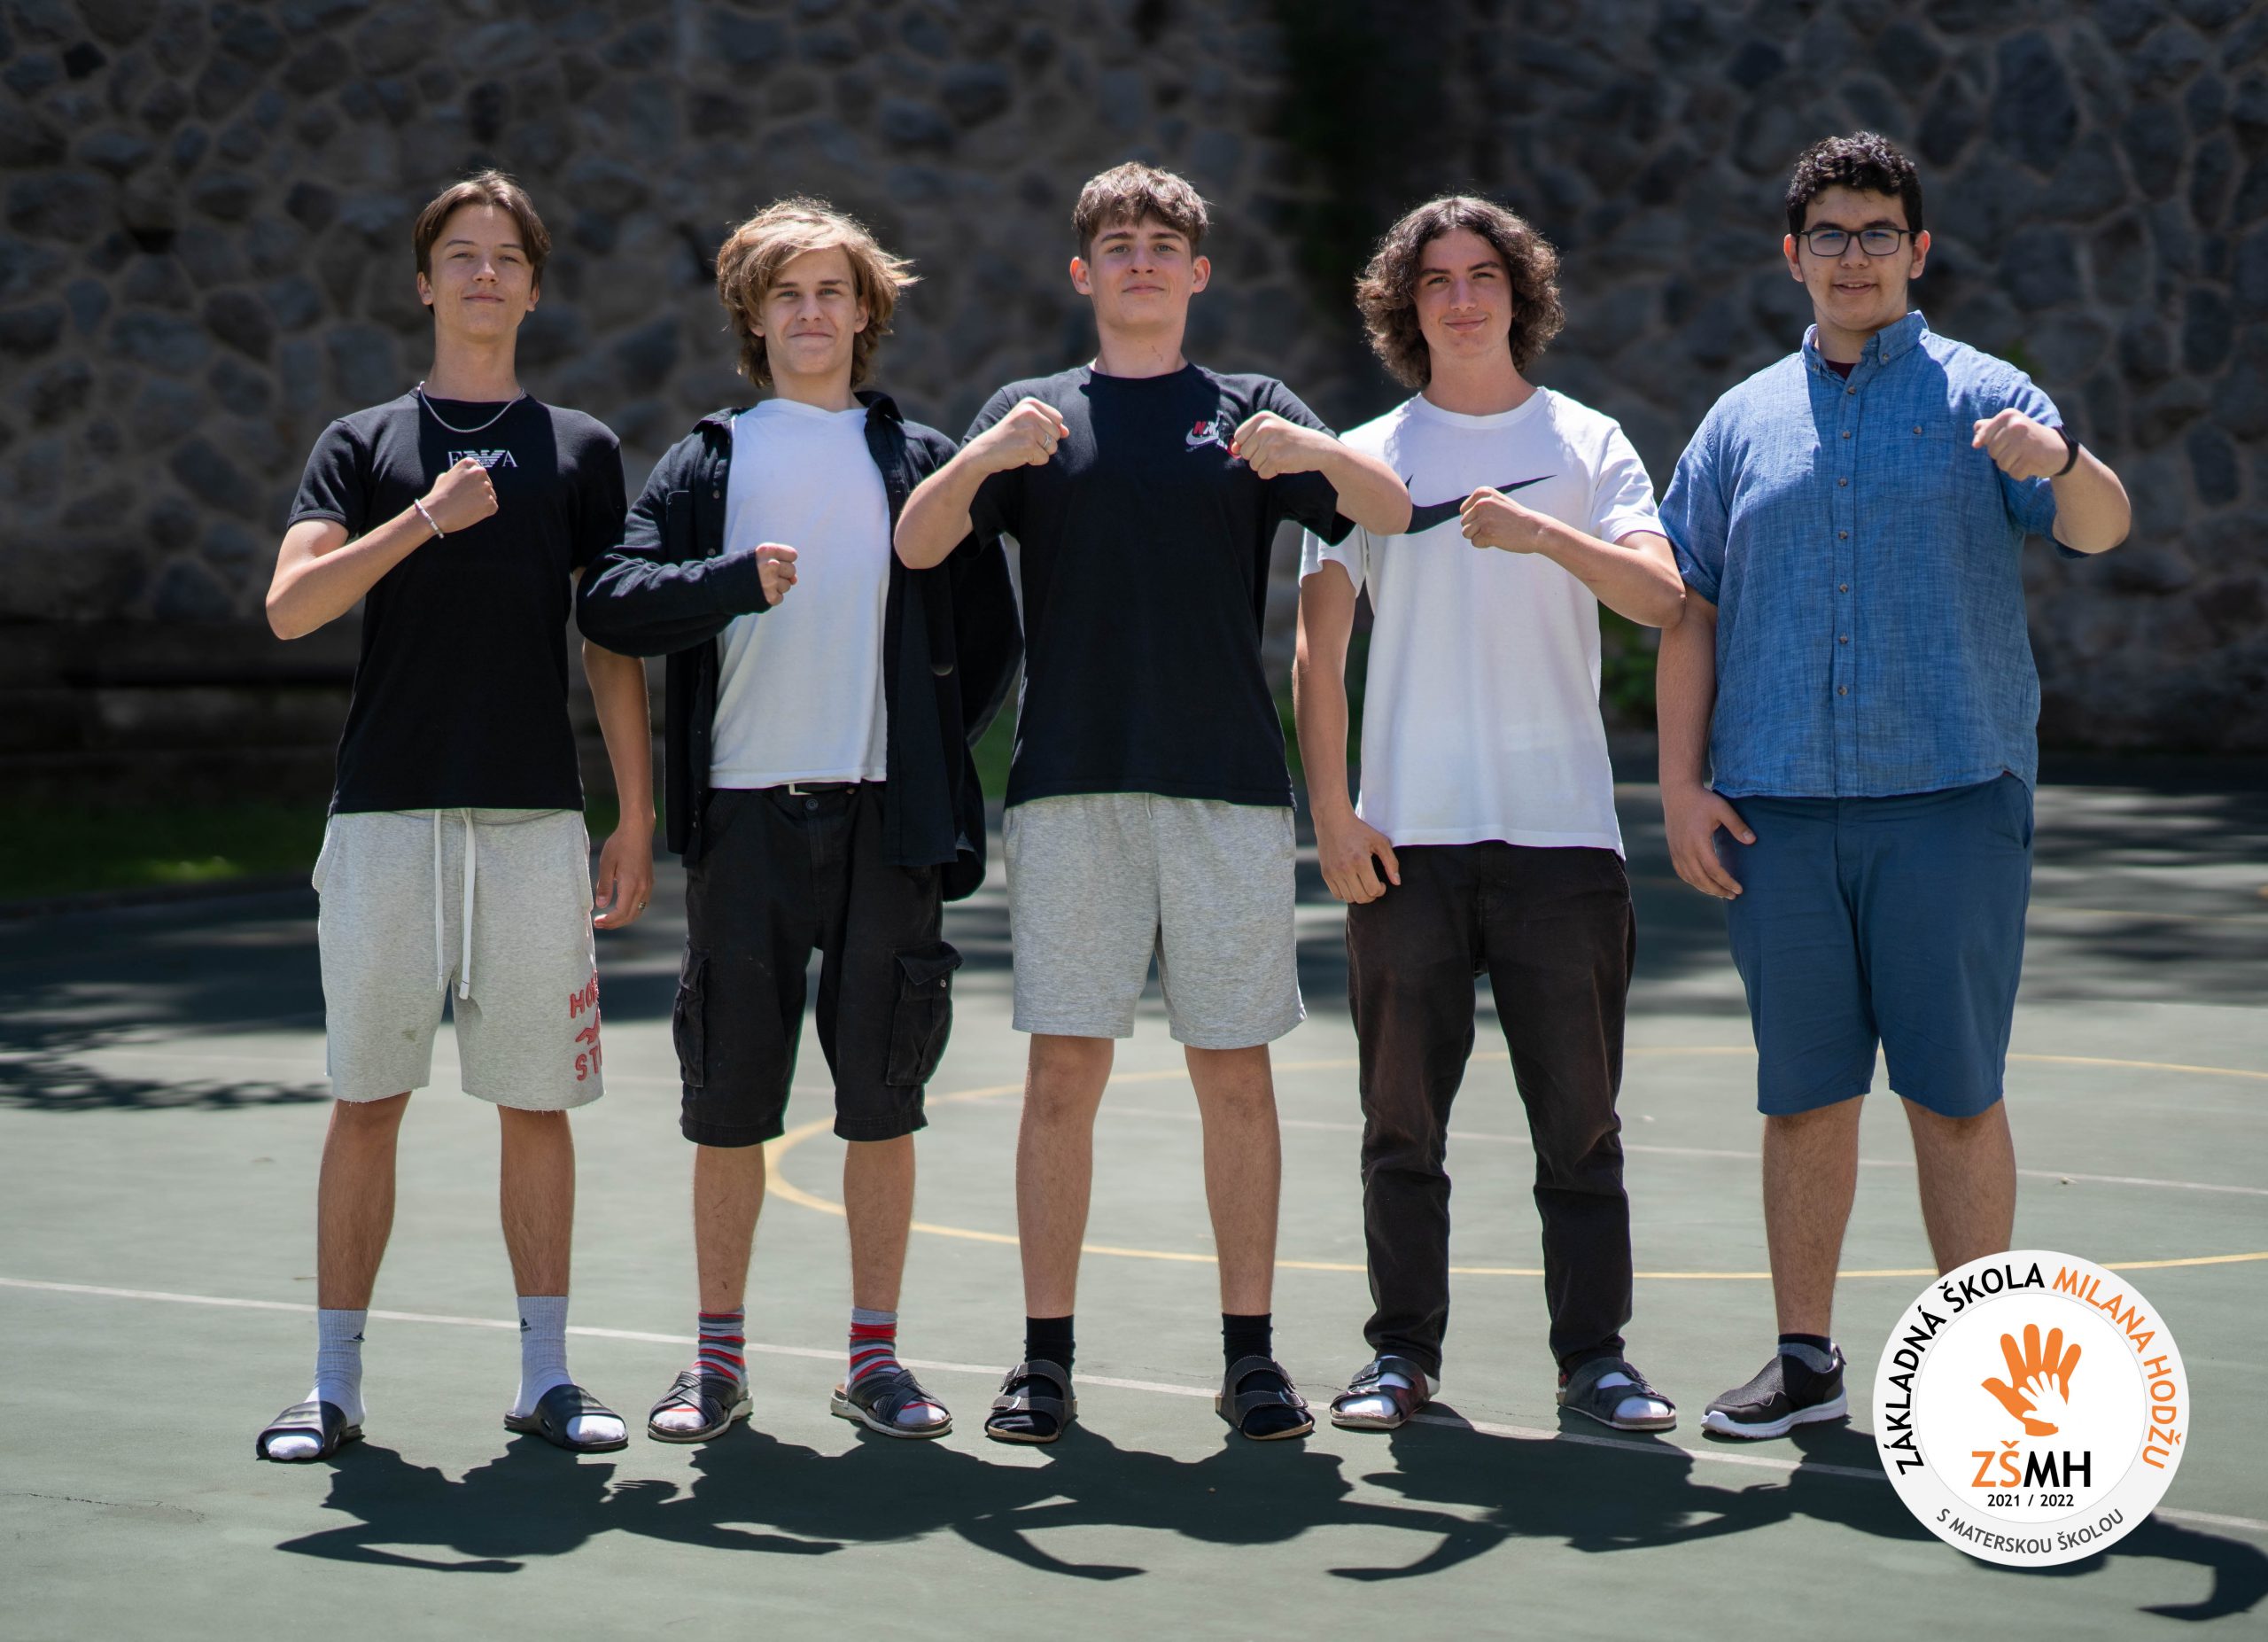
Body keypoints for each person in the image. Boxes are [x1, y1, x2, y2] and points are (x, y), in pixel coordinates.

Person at [895, 162, 1412, 1444]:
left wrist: (1313, 451)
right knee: (1062, 1074)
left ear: (1198, 273)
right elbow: (915, 542)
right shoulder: (1032, 413)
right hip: (1070, 787)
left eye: (1163, 243)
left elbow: (1392, 511)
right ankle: (1042, 1362)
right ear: (1084, 273)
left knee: (1235, 1076)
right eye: (1118, 243)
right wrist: (985, 457)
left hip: (1227, 789)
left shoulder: (1252, 410)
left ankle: (1252, 1359)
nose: (1140, 259)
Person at [1655, 133, 2132, 1439]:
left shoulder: (1990, 398)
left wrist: (2062, 464)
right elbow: (1689, 606)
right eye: (1831, 234)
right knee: (1803, 1098)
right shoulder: (1739, 421)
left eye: (1878, 233)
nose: (1853, 256)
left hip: (1951, 801)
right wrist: (1680, 786)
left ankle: (1984, 1379)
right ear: (1793, 255)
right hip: (1778, 815)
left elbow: (2101, 529)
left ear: (1917, 251)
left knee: (1956, 1097)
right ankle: (1804, 1364)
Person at [575, 199, 1019, 1443]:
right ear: (753, 316)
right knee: (729, 1105)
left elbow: (989, 634)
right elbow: (611, 601)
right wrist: (727, 584)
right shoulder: (708, 461)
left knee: (883, 1101)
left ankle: (874, 1359)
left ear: (866, 310)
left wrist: (924, 739)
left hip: (890, 822)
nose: (812, 312)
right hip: (745, 824)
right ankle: (715, 1362)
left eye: (833, 290)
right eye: (787, 294)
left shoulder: (918, 457)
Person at [254, 171, 653, 1462]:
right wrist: (422, 519)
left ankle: (546, 1377)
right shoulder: (361, 442)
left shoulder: (582, 449)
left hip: (533, 823)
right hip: (385, 817)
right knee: (368, 1100)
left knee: (536, 1103)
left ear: (533, 288)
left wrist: (635, 811)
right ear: (425, 284)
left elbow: (609, 642)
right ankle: (332, 1386)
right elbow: (293, 608)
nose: (486, 274)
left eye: (508, 257)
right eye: (462, 256)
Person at [1293, 196, 1686, 1435]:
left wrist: (1543, 534)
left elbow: (1662, 598)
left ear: (1521, 293)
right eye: (1436, 280)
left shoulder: (1588, 441)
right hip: (1406, 843)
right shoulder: (1365, 455)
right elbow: (1315, 651)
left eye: (1483, 275)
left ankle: (1596, 1363)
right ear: (1405, 306)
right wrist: (1333, 815)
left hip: (1563, 841)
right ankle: (1399, 1359)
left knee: (1581, 1126)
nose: (1461, 298)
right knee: (1401, 1127)